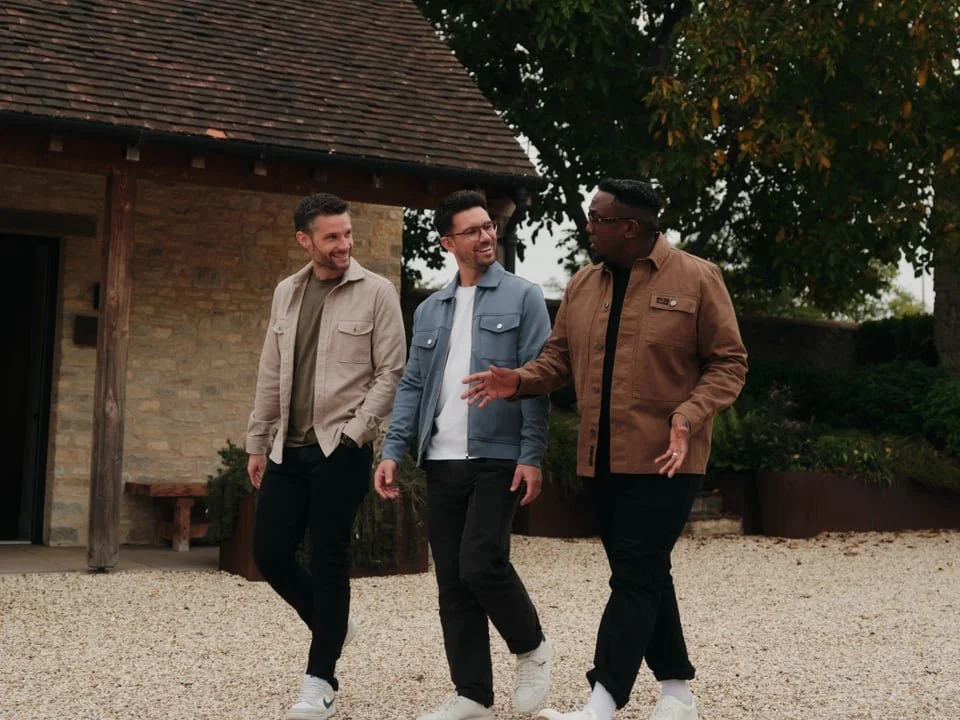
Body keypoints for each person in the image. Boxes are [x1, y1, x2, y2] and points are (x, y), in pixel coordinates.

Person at [462, 179, 748, 720]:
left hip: (667, 459)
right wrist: (517, 381)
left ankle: (603, 697)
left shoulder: (697, 278)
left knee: (635, 574)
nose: (588, 225)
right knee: (646, 572)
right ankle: (678, 692)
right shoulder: (583, 284)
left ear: (630, 228)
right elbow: (558, 362)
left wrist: (688, 415)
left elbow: (730, 363)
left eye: (598, 217)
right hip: (600, 460)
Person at [374, 190, 554, 720]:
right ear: (449, 242)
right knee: (452, 577)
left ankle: (531, 647)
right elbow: (411, 385)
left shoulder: (524, 297)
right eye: (473, 230)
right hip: (441, 458)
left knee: (482, 563)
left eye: (489, 226)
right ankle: (472, 693)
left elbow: (538, 381)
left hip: (498, 455)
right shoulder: (431, 308)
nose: (486, 236)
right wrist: (393, 449)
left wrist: (532, 454)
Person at [245, 192, 406, 720]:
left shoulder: (377, 292)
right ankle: (331, 623)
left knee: (329, 558)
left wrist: (357, 434)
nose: (344, 245)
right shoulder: (286, 293)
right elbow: (272, 373)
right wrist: (257, 439)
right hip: (287, 449)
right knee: (269, 553)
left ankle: (319, 683)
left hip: (342, 446)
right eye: (332, 236)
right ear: (305, 240)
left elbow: (392, 372)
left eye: (347, 234)